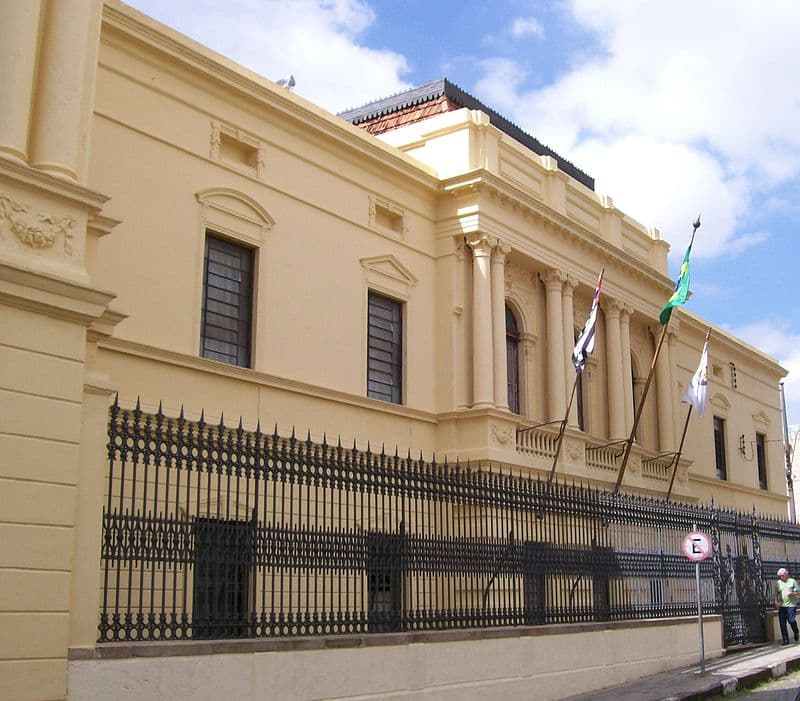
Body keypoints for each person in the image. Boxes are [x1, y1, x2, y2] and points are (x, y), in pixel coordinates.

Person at [775, 567, 799, 645]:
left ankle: (796, 631)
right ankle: (785, 640)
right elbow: (776, 594)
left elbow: (798, 593)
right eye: (780, 576)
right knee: (782, 623)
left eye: (782, 575)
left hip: (791, 605)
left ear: (786, 574)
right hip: (782, 606)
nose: (781, 577)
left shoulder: (792, 581)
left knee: (791, 620)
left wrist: (792, 593)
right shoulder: (778, 583)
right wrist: (776, 602)